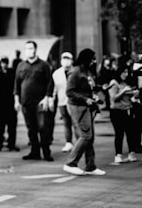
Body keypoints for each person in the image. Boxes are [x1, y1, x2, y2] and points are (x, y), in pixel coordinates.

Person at [63, 48, 106, 176]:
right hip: (78, 107)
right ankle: (71, 163)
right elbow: (69, 92)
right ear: (86, 59)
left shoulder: (86, 71)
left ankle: (90, 166)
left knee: (89, 137)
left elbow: (87, 88)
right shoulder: (75, 72)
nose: (94, 61)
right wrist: (85, 99)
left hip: (86, 106)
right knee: (86, 136)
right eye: (92, 59)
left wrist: (95, 95)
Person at [14, 41, 55, 161]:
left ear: (35, 50)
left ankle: (46, 152)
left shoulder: (43, 65)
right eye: (26, 48)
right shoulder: (21, 66)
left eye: (31, 48)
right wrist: (16, 101)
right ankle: (35, 152)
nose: (29, 51)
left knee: (42, 128)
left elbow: (50, 83)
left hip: (40, 103)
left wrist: (47, 97)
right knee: (31, 129)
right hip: (26, 103)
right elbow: (16, 85)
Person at [108, 65, 139, 163]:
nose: (125, 74)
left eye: (127, 72)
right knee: (119, 133)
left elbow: (129, 97)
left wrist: (133, 93)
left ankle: (132, 153)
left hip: (127, 109)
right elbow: (113, 98)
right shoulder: (114, 83)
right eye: (123, 72)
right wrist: (124, 91)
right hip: (117, 111)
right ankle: (118, 154)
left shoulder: (126, 83)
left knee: (131, 132)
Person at [0, 56, 19, 152]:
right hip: (0, 101)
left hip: (10, 100)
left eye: (5, 63)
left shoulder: (12, 72)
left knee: (12, 125)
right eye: (2, 63)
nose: (4, 65)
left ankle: (11, 144)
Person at [53, 52, 76, 153]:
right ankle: (68, 142)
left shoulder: (76, 72)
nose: (66, 61)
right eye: (64, 59)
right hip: (62, 101)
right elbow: (53, 88)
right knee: (66, 122)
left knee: (76, 122)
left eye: (68, 59)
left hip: (74, 102)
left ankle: (79, 142)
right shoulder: (57, 73)